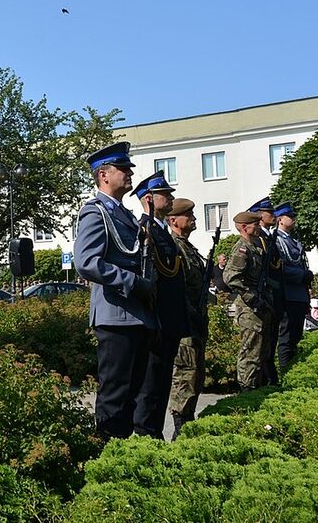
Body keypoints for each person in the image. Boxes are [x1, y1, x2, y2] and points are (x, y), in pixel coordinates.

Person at [74, 141, 156, 441]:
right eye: (122, 169)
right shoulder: (95, 212)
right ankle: (106, 458)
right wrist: (132, 282)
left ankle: (122, 454)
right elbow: (86, 262)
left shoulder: (126, 215)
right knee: (114, 398)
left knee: (131, 396)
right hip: (115, 316)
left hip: (137, 315)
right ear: (103, 175)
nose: (129, 173)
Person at [130, 171, 190, 440]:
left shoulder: (161, 231)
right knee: (151, 383)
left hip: (170, 320)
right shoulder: (145, 231)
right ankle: (147, 433)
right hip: (157, 320)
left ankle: (154, 431)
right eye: (165, 194)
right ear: (148, 199)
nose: (170, 198)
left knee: (163, 380)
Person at [165, 199, 208, 439]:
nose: (193, 219)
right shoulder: (173, 247)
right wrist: (189, 312)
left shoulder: (188, 247)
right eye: (188, 215)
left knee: (195, 375)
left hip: (196, 320)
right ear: (173, 221)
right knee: (186, 375)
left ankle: (188, 422)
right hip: (184, 322)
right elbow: (176, 286)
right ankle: (180, 428)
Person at [223, 211, 272, 392]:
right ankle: (246, 391)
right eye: (255, 225)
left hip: (260, 306)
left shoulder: (255, 247)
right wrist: (251, 297)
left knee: (261, 353)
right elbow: (231, 277)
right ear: (244, 227)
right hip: (250, 309)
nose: (259, 227)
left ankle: (256, 388)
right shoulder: (242, 248)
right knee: (250, 352)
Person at [273, 203, 313, 369]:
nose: (294, 219)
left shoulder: (293, 240)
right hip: (288, 295)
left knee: (296, 337)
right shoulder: (276, 240)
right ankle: (285, 373)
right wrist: (301, 275)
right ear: (281, 220)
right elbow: (279, 268)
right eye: (291, 216)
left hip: (299, 295)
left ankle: (292, 371)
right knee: (287, 339)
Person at [249, 196, 281, 386]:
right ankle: (264, 379)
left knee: (270, 342)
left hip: (272, 293)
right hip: (263, 295)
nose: (273, 215)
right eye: (270, 212)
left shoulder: (267, 237)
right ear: (260, 215)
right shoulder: (259, 238)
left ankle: (268, 377)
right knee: (261, 346)